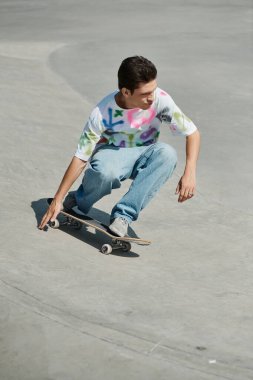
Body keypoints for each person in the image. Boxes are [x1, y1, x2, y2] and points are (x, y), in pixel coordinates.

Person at [39, 56, 200, 236]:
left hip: (145, 154)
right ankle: (77, 198)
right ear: (126, 92)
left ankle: (124, 216)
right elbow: (81, 157)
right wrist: (58, 198)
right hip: (111, 153)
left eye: (153, 90)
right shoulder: (102, 113)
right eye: (145, 94)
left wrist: (190, 173)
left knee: (167, 154)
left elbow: (192, 133)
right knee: (106, 173)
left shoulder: (161, 99)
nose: (151, 98)